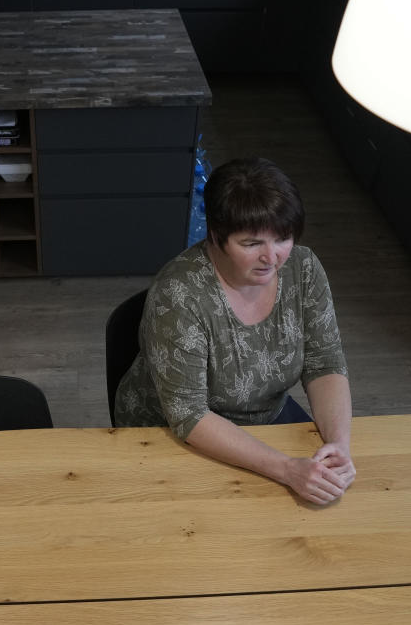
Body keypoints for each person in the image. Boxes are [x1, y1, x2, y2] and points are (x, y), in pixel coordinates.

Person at [114, 157, 355, 505]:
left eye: (283, 238)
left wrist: (338, 447)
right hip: (170, 431)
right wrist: (288, 469)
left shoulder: (304, 269)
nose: (272, 258)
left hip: (264, 417)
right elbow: (189, 415)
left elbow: (325, 362)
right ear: (216, 236)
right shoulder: (179, 294)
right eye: (252, 243)